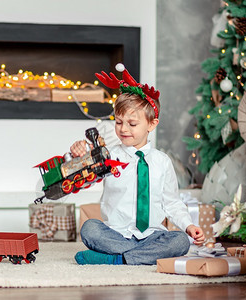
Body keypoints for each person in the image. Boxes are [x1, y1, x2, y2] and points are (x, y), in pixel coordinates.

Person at [70, 64, 204, 265]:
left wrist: (188, 226)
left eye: (132, 124)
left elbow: (172, 203)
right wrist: (76, 153)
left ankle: (118, 259)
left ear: (152, 124)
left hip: (151, 235)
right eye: (118, 122)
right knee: (89, 228)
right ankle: (139, 257)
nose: (123, 129)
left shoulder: (162, 162)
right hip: (115, 234)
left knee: (180, 241)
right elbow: (84, 173)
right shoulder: (109, 155)